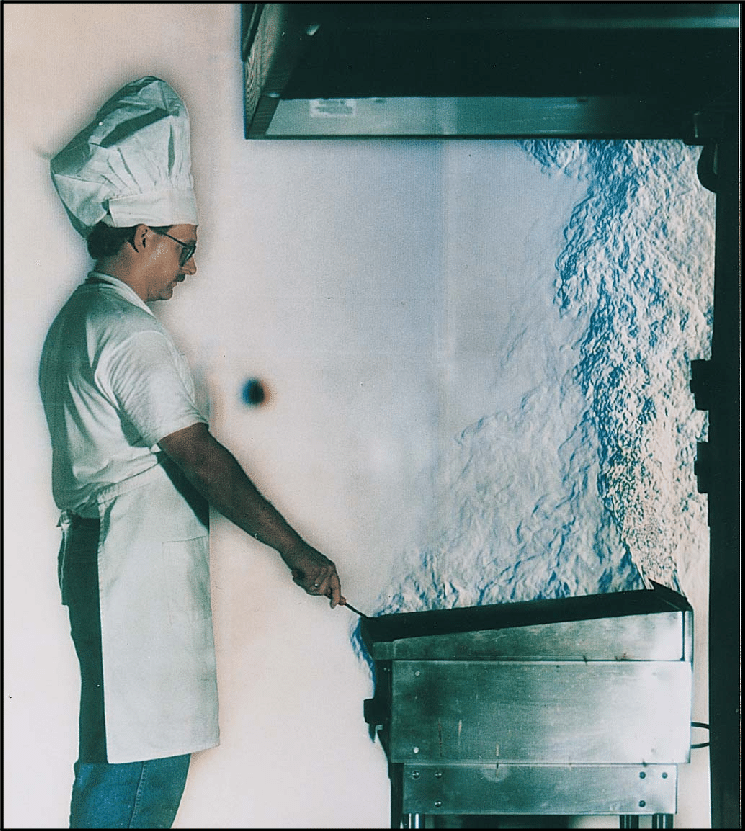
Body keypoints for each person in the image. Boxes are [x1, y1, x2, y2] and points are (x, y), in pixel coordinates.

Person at [39, 76, 345, 829]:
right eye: (185, 247)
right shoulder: (127, 331)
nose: (190, 266)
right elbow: (198, 456)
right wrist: (296, 549)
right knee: (135, 778)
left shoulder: (83, 318)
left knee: (118, 765)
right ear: (142, 235)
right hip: (131, 581)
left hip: (116, 571)